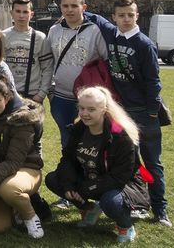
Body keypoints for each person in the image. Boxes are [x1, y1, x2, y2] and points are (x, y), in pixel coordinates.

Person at [84, 0, 170, 227]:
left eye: (130, 15)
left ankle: (160, 209)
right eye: (121, 15)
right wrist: (82, 7)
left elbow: (153, 82)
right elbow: (96, 18)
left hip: (143, 112)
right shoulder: (112, 33)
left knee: (152, 163)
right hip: (121, 113)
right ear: (115, 17)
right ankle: (135, 201)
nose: (125, 19)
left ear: (137, 16)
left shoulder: (144, 44)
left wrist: (152, 112)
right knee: (128, 161)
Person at [45, 86, 142, 243]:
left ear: (104, 109)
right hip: (90, 179)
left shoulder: (120, 135)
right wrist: (69, 185)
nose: (84, 113)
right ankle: (89, 209)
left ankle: (125, 225)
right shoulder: (78, 129)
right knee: (53, 179)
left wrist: (86, 189)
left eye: (91, 109)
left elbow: (120, 176)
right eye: (81, 108)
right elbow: (67, 160)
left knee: (110, 201)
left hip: (120, 185)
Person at [0, 79, 45, 238]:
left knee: (10, 190)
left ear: (7, 98)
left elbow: (14, 162)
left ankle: (31, 216)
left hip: (25, 169)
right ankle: (14, 208)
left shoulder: (22, 120)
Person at [47, 0, 107, 149]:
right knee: (66, 141)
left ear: (84, 7)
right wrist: (50, 93)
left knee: (90, 140)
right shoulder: (54, 31)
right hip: (60, 97)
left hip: (88, 99)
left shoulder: (95, 30)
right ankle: (69, 173)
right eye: (65, 6)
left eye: (74, 5)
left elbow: (105, 60)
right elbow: (47, 62)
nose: (69, 10)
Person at [2, 0, 54, 103]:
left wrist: (41, 94)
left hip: (32, 95)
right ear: (11, 13)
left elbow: (47, 68)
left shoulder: (40, 38)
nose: (21, 15)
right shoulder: (3, 36)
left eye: (25, 12)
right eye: (18, 11)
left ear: (31, 14)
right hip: (8, 94)